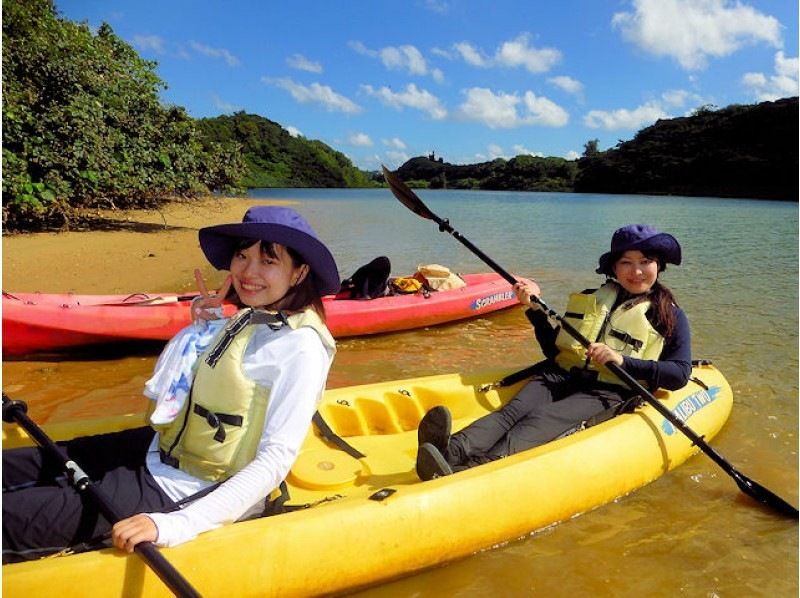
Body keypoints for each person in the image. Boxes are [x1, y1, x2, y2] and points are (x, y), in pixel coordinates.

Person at [3, 206, 340, 562]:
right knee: (16, 464)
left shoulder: (301, 347)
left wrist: (177, 524)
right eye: (242, 255)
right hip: (153, 449)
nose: (248, 271)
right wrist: (207, 328)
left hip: (188, 489)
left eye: (268, 261)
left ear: (300, 271)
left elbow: (275, 460)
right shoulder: (250, 317)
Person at [415, 224, 692, 480]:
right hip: (560, 375)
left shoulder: (668, 315)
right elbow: (555, 350)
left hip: (607, 391)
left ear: (659, 265)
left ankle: (466, 471)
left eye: (645, 262)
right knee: (511, 412)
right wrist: (533, 312)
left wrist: (622, 360)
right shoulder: (593, 298)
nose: (637, 272)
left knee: (539, 420)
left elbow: (679, 373)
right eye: (626, 263)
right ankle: (449, 452)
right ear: (615, 269)